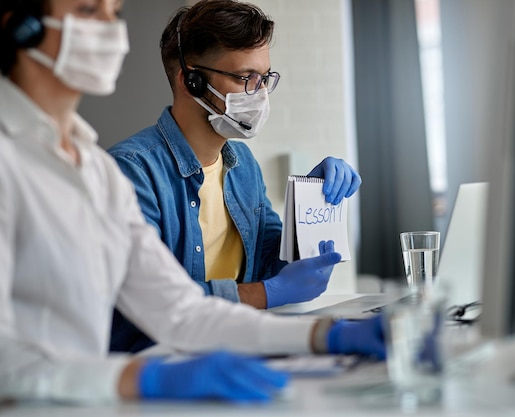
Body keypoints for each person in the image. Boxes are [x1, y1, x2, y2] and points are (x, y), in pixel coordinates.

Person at [0, 0, 383, 404]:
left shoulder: (94, 169)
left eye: (115, 12)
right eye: (90, 10)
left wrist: (328, 335)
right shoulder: (36, 163)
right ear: (22, 26)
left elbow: (179, 309)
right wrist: (146, 379)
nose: (112, 30)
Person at [107, 0, 362, 353]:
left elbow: (273, 259)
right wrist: (267, 294)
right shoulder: (130, 171)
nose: (258, 94)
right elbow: (151, 303)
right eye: (245, 78)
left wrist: (308, 204)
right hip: (158, 363)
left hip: (234, 346)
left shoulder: (241, 162)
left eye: (265, 78)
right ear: (190, 80)